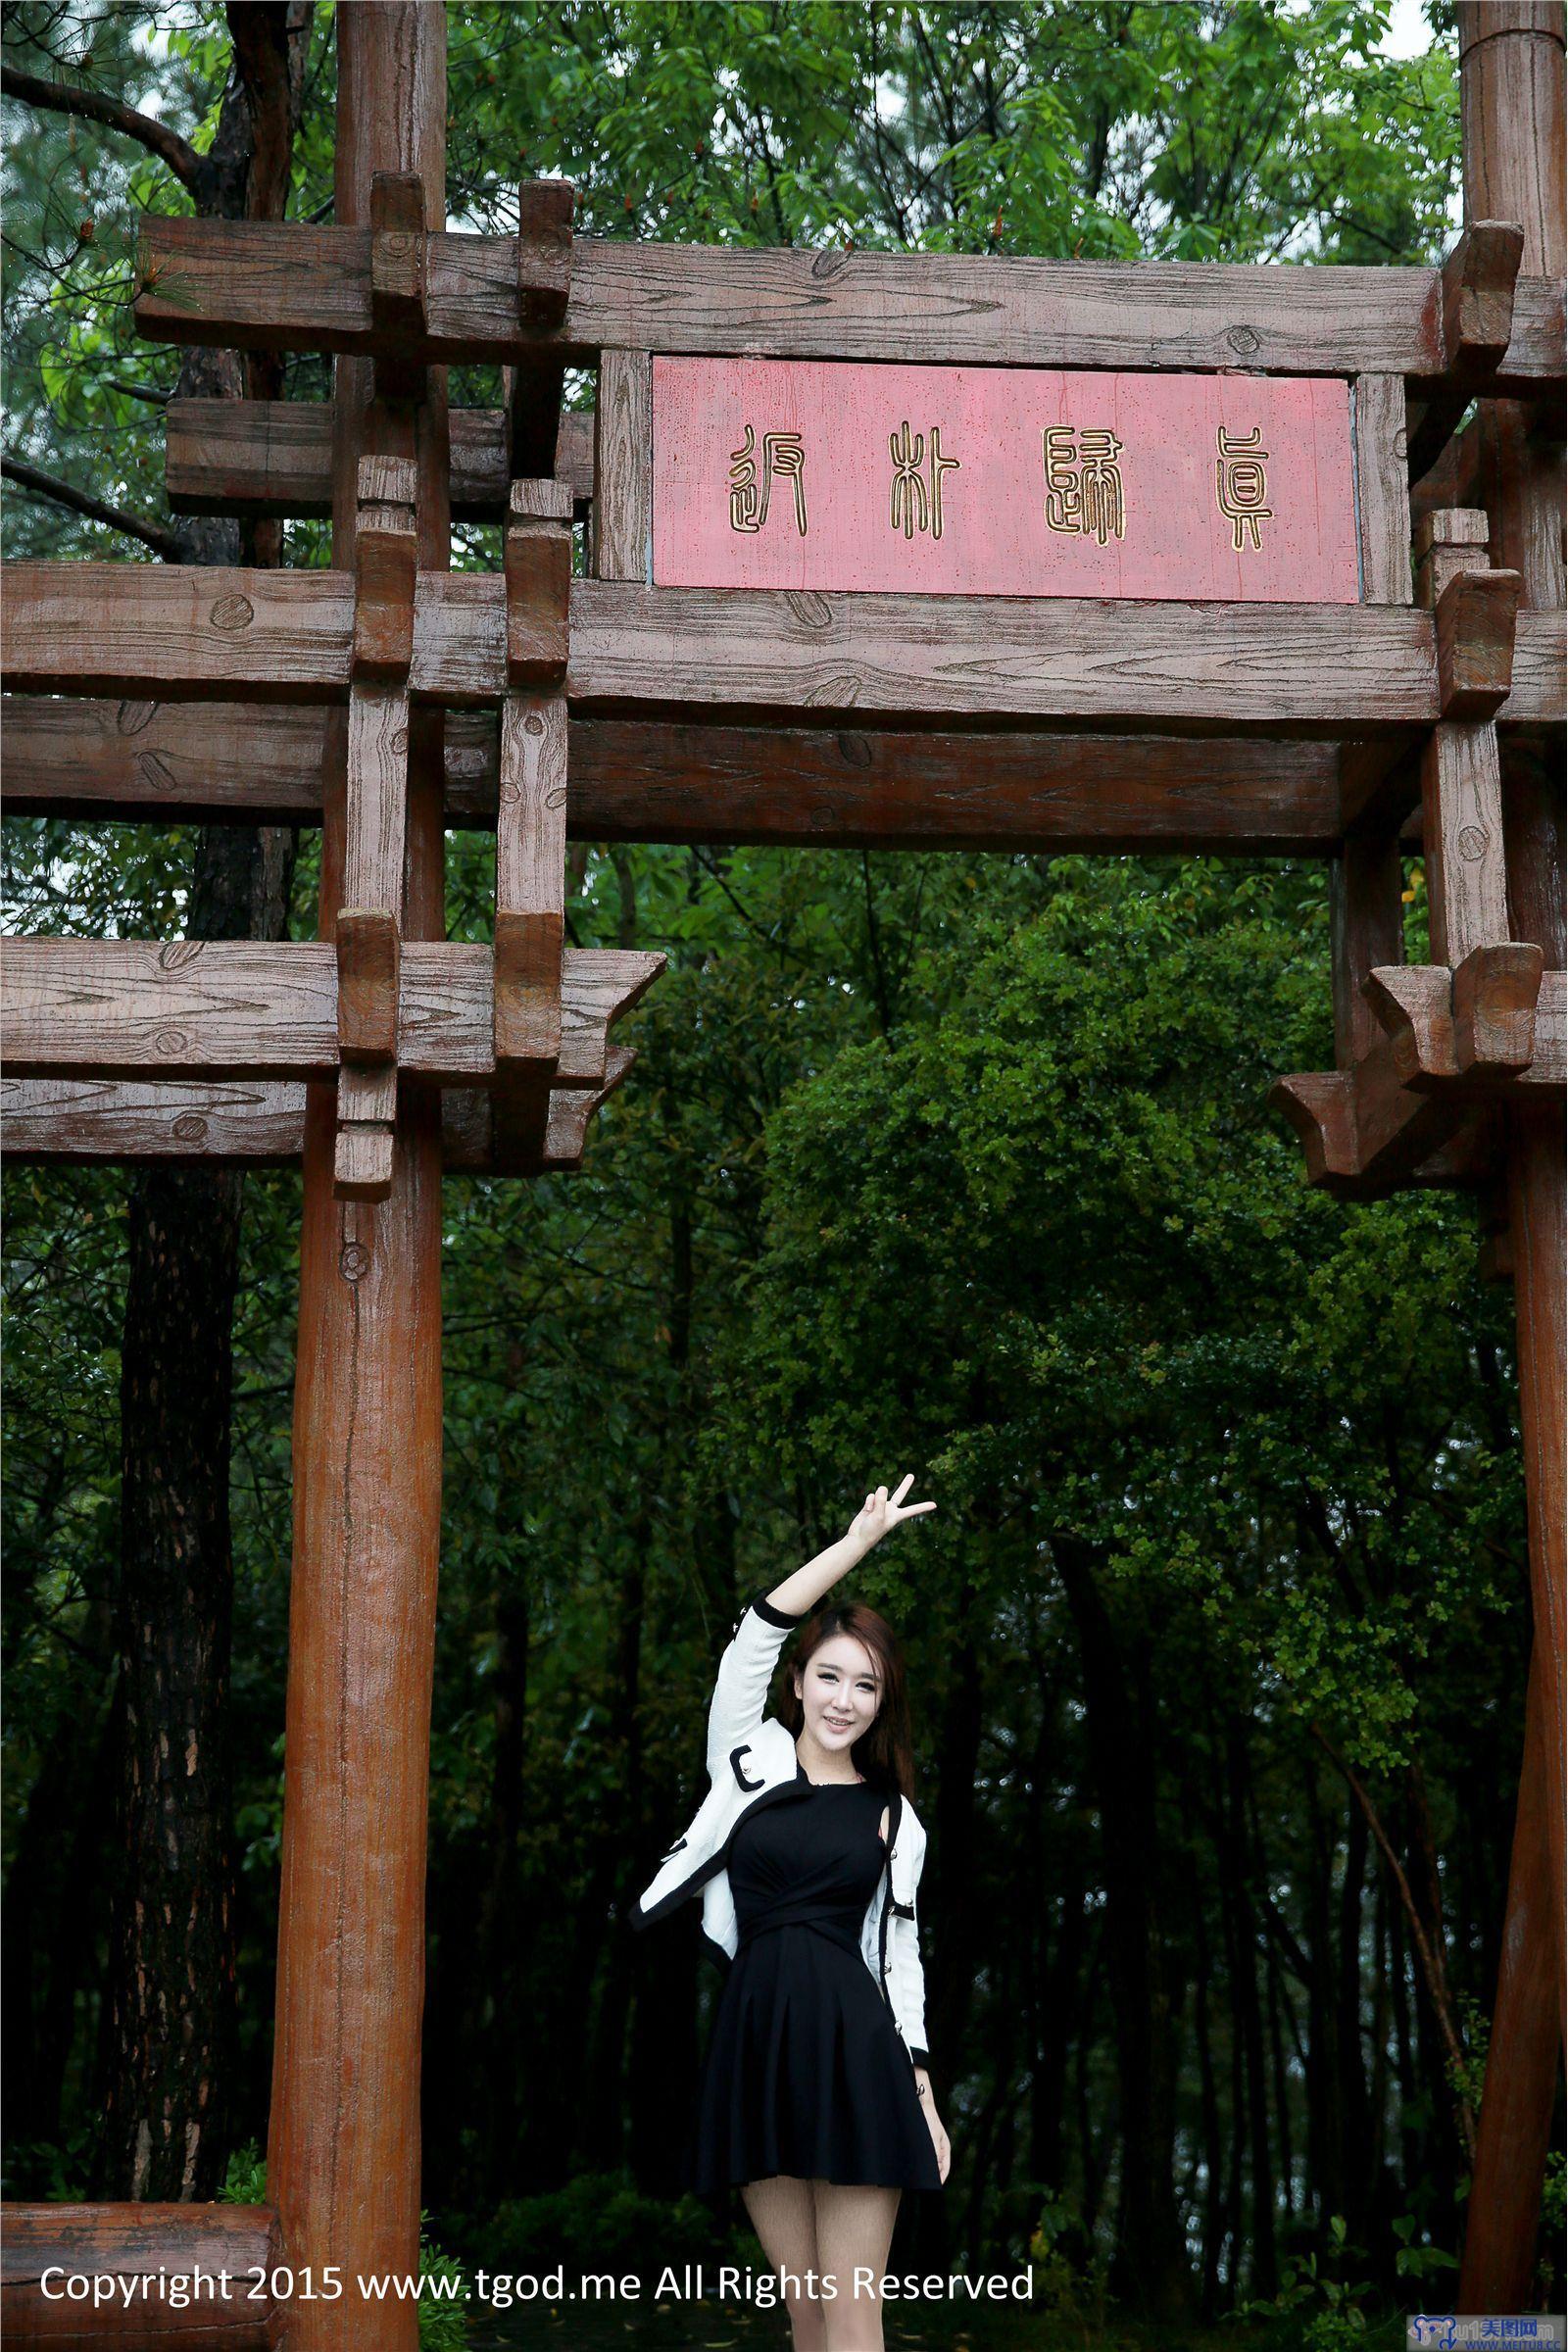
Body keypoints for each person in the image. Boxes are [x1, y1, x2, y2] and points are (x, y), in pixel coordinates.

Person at [632, 1476, 951, 2352]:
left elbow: (899, 1957)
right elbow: (754, 1635)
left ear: (884, 1703)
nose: (845, 1700)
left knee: (853, 2314)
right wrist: (856, 1546)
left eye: (867, 1687)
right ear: (801, 1683)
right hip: (757, 2038)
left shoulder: (894, 1816)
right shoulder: (747, 1759)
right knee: (805, 2314)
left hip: (855, 2044)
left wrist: (921, 2089)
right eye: (830, 1676)